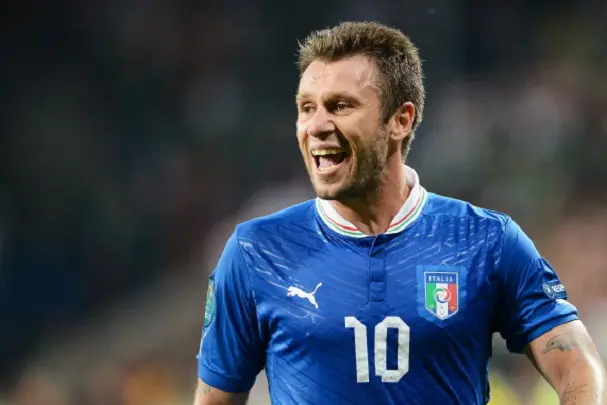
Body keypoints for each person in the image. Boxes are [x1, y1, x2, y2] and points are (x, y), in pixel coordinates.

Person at [193, 21, 606, 405]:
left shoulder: (486, 242)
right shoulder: (256, 252)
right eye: (306, 107)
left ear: (400, 121)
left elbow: (578, 367)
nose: (316, 125)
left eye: (339, 106)